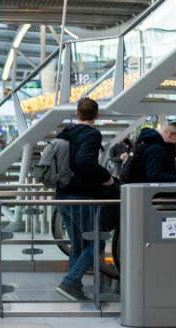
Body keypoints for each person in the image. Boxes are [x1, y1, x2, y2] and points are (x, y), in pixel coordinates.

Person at [54, 98, 114, 301]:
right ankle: (70, 282)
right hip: (80, 195)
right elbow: (85, 160)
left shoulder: (66, 133)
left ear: (77, 114)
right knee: (97, 241)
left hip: (62, 194)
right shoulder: (92, 133)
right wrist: (106, 177)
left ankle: (74, 287)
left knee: (78, 243)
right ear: (96, 115)